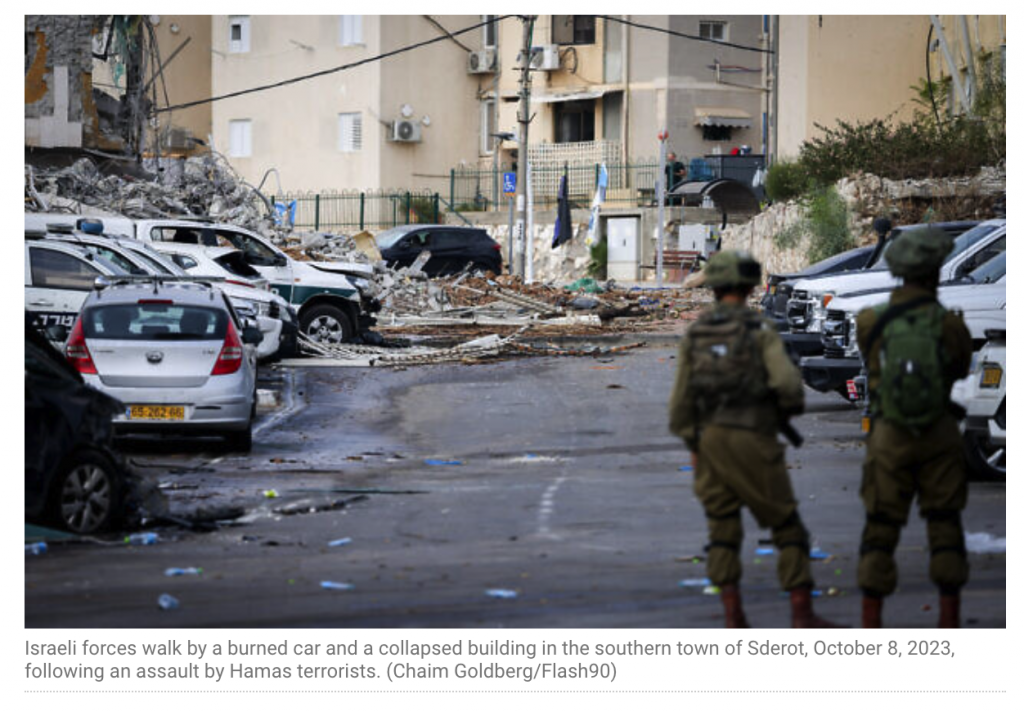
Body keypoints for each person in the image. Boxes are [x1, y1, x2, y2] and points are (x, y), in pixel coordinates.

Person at [668, 251, 839, 628]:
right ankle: (801, 614)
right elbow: (789, 386)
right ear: (748, 288)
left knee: (722, 531)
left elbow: (681, 404)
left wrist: (694, 444)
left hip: (711, 443)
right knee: (787, 527)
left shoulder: (697, 334)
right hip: (754, 440)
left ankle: (734, 618)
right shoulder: (759, 332)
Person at [855, 229, 972, 628]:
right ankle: (948, 624)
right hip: (939, 432)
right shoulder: (950, 324)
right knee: (944, 524)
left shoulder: (871, 319)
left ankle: (872, 625)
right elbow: (959, 369)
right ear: (935, 272)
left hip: (888, 434)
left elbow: (870, 363)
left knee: (881, 527)